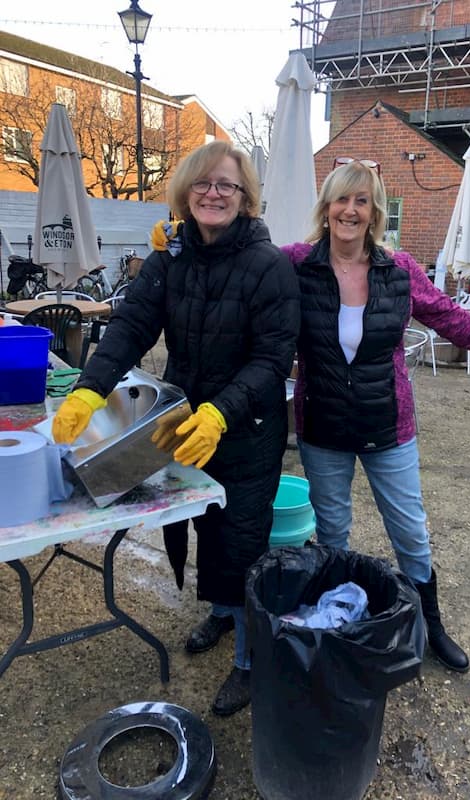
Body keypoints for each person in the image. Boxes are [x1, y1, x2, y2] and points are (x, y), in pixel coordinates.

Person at [51, 140, 300, 716]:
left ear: (245, 198)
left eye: (226, 186)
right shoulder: (170, 258)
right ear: (186, 191)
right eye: (203, 183)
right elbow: (133, 324)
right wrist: (89, 388)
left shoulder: (270, 266)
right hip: (182, 424)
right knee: (203, 528)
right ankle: (219, 613)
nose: (213, 193)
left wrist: (221, 413)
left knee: (240, 541)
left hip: (246, 428)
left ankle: (247, 658)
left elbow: (272, 358)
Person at [278, 157, 470, 672]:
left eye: (362, 201)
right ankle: (337, 618)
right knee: (332, 531)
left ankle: (428, 622)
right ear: (326, 209)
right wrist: (180, 241)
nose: (350, 209)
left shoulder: (400, 270)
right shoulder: (294, 263)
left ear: (374, 214)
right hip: (322, 424)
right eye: (342, 199)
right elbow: (242, 267)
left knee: (410, 530)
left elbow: (446, 314)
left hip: (388, 424)